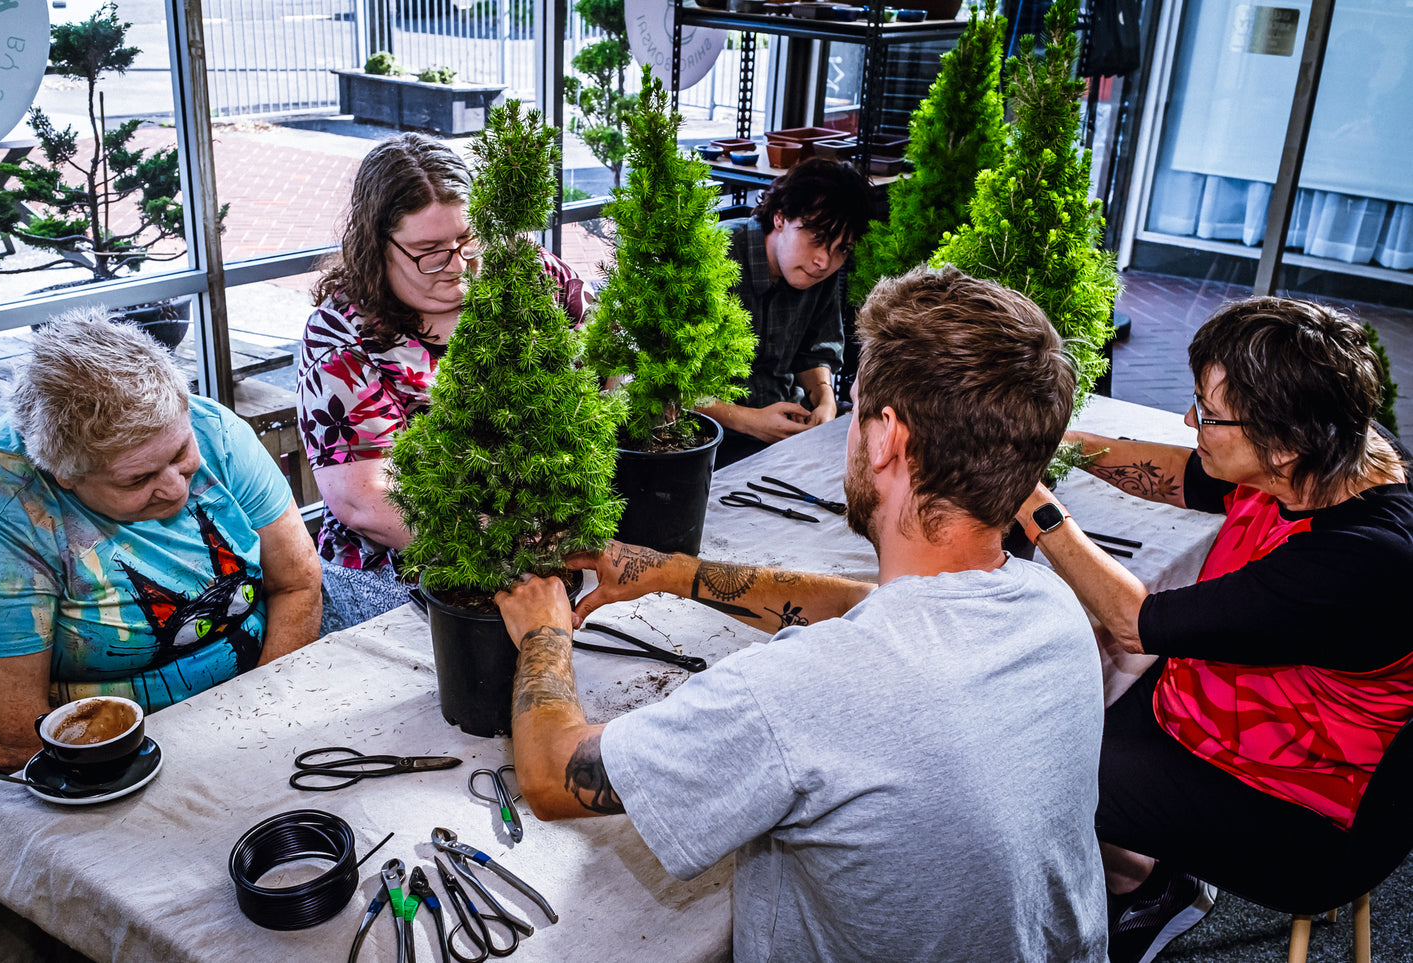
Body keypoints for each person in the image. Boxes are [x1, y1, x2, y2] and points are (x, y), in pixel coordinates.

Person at [496, 265, 1109, 961]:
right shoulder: (1053, 607)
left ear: (887, 440)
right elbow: (873, 608)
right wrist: (673, 573)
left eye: (854, 407)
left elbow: (551, 775)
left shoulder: (797, 691)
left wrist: (544, 627)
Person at [1015, 297, 1413, 963]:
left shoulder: (1359, 559)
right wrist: (1055, 446)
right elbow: (1181, 475)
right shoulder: (1335, 455)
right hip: (1235, 715)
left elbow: (1133, 622)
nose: (1186, 420)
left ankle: (1144, 888)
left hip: (1303, 807)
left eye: (1205, 410)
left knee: (1034, 776)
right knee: (1059, 717)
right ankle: (1135, 876)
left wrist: (1031, 499)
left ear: (1283, 441)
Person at [0, 310, 322, 794]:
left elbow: (298, 580)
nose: (177, 487)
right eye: (137, 479)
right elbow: (4, 735)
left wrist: (262, 723)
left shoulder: (214, 429)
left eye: (180, 455)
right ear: (64, 475)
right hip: (110, 758)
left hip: (257, 689)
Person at [297, 132, 592, 632]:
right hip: (405, 568)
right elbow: (365, 500)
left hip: (548, 536)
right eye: (428, 251)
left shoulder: (531, 275)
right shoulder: (342, 339)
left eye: (467, 239)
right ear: (377, 244)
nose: (456, 265)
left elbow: (604, 363)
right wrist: (503, 542)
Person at [698, 158, 876, 467]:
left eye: (841, 250)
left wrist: (824, 398)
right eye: (817, 239)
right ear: (780, 218)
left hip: (785, 431)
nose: (824, 261)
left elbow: (814, 353)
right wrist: (748, 420)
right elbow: (664, 379)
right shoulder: (713, 252)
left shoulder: (819, 270)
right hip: (702, 438)